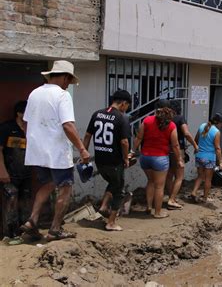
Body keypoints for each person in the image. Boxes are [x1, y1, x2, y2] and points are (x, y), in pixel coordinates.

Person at [20, 60, 90, 241]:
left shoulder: (34, 93)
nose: (68, 85)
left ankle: (32, 221)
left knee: (48, 184)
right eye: (69, 81)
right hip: (57, 153)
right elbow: (68, 125)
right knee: (65, 189)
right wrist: (82, 149)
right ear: (65, 77)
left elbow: (25, 122)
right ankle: (55, 229)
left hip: (38, 152)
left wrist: (35, 142)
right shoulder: (62, 95)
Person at [83, 90, 132, 231]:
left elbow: (87, 136)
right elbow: (124, 142)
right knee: (119, 190)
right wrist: (125, 158)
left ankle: (104, 207)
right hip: (114, 161)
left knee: (113, 182)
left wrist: (84, 153)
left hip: (100, 159)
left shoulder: (97, 114)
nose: (126, 109)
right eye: (127, 106)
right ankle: (111, 223)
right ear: (123, 103)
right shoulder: (121, 118)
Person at [133, 100, 183, 219]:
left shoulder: (146, 120)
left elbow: (139, 137)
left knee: (150, 181)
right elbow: (175, 145)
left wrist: (132, 151)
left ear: (155, 109)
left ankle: (149, 206)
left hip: (145, 157)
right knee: (159, 186)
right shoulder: (171, 125)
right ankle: (158, 212)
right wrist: (179, 159)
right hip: (160, 158)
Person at [0, 101, 32, 239]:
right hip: (9, 173)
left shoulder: (32, 129)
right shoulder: (7, 128)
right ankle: (9, 235)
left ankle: (23, 233)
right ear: (20, 113)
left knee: (25, 204)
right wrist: (2, 171)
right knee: (11, 201)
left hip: (26, 173)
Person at [165, 100, 198, 210]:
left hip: (165, 150)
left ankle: (171, 197)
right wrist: (195, 145)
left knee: (169, 176)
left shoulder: (166, 119)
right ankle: (172, 200)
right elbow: (186, 133)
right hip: (177, 149)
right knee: (179, 176)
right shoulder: (180, 118)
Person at [190, 114, 222, 203]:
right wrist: (220, 162)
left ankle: (193, 192)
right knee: (208, 179)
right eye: (221, 124)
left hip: (199, 156)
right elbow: (217, 148)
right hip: (209, 158)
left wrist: (195, 148)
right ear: (218, 123)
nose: (221, 126)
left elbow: (196, 139)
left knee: (200, 176)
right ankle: (205, 198)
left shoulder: (202, 126)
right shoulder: (216, 132)